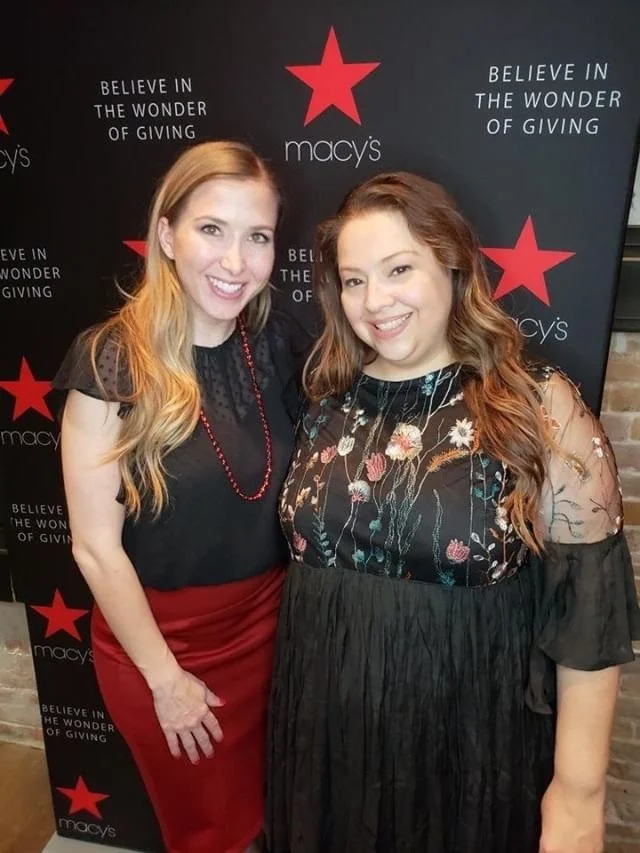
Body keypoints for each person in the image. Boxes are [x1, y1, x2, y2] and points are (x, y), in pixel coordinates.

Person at [266, 171, 640, 853]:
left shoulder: (534, 402)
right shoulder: (324, 396)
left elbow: (587, 605)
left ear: (453, 264)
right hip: (326, 738)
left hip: (467, 746)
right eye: (354, 280)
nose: (375, 301)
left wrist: (579, 787)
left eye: (398, 268)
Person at [54, 140, 302, 853]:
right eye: (211, 229)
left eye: (257, 237)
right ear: (167, 234)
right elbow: (95, 547)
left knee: (274, 817)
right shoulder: (110, 360)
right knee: (213, 834)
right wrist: (166, 680)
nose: (235, 261)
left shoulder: (277, 342)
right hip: (165, 650)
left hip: (272, 632)